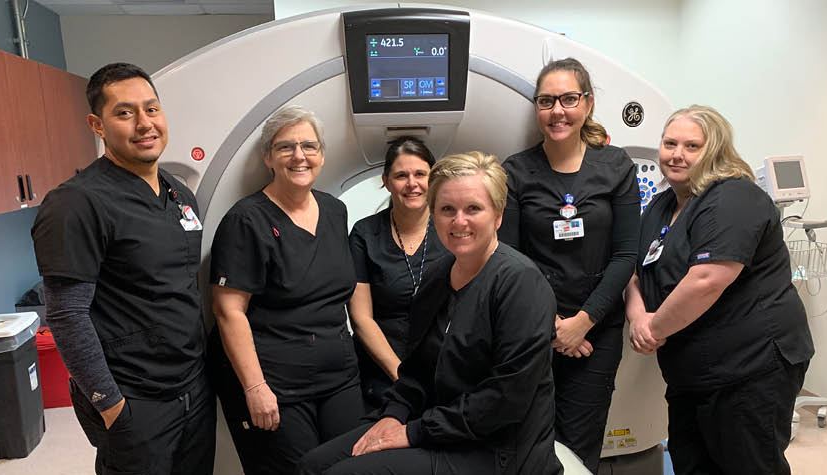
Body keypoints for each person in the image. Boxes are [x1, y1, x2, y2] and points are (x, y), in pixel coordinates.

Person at [296, 152, 562, 475]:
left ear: (498, 216)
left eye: (473, 208)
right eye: (447, 209)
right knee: (311, 466)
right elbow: (417, 372)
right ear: (433, 214)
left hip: (496, 449)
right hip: (440, 425)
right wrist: (394, 415)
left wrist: (411, 432)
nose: (458, 221)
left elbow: (503, 401)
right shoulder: (438, 277)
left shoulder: (520, 285)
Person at [31, 62, 215, 475]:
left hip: (192, 388)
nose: (145, 124)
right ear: (97, 125)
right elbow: (66, 314)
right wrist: (110, 405)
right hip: (135, 399)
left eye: (152, 109)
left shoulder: (179, 194)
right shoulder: (76, 204)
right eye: (125, 113)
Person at [624, 105, 814, 474]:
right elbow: (635, 273)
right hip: (691, 369)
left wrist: (653, 328)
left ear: (715, 151)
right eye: (670, 143)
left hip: (750, 366)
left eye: (692, 146)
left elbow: (707, 280)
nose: (677, 154)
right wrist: (637, 318)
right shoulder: (662, 205)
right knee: (691, 460)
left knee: (749, 463)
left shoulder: (734, 198)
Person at [499, 57, 640, 473]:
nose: (557, 110)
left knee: (579, 446)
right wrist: (554, 325)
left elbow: (626, 255)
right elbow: (511, 258)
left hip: (597, 332)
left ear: (588, 104)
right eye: (546, 101)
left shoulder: (616, 166)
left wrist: (583, 321)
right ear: (536, 108)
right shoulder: (516, 171)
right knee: (526, 437)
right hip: (531, 328)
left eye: (568, 99)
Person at [207, 105, 363, 474]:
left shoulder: (335, 210)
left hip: (339, 377)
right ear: (268, 157)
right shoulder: (245, 220)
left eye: (309, 146)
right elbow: (228, 311)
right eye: (285, 147)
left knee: (355, 465)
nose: (299, 156)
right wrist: (255, 388)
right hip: (276, 383)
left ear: (322, 154)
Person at [348, 136, 448, 410]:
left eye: (420, 174)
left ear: (433, 178)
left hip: (444, 368)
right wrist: (401, 375)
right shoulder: (364, 234)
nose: (412, 183)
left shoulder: (453, 228)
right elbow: (361, 318)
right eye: (401, 175)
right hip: (382, 368)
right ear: (386, 181)